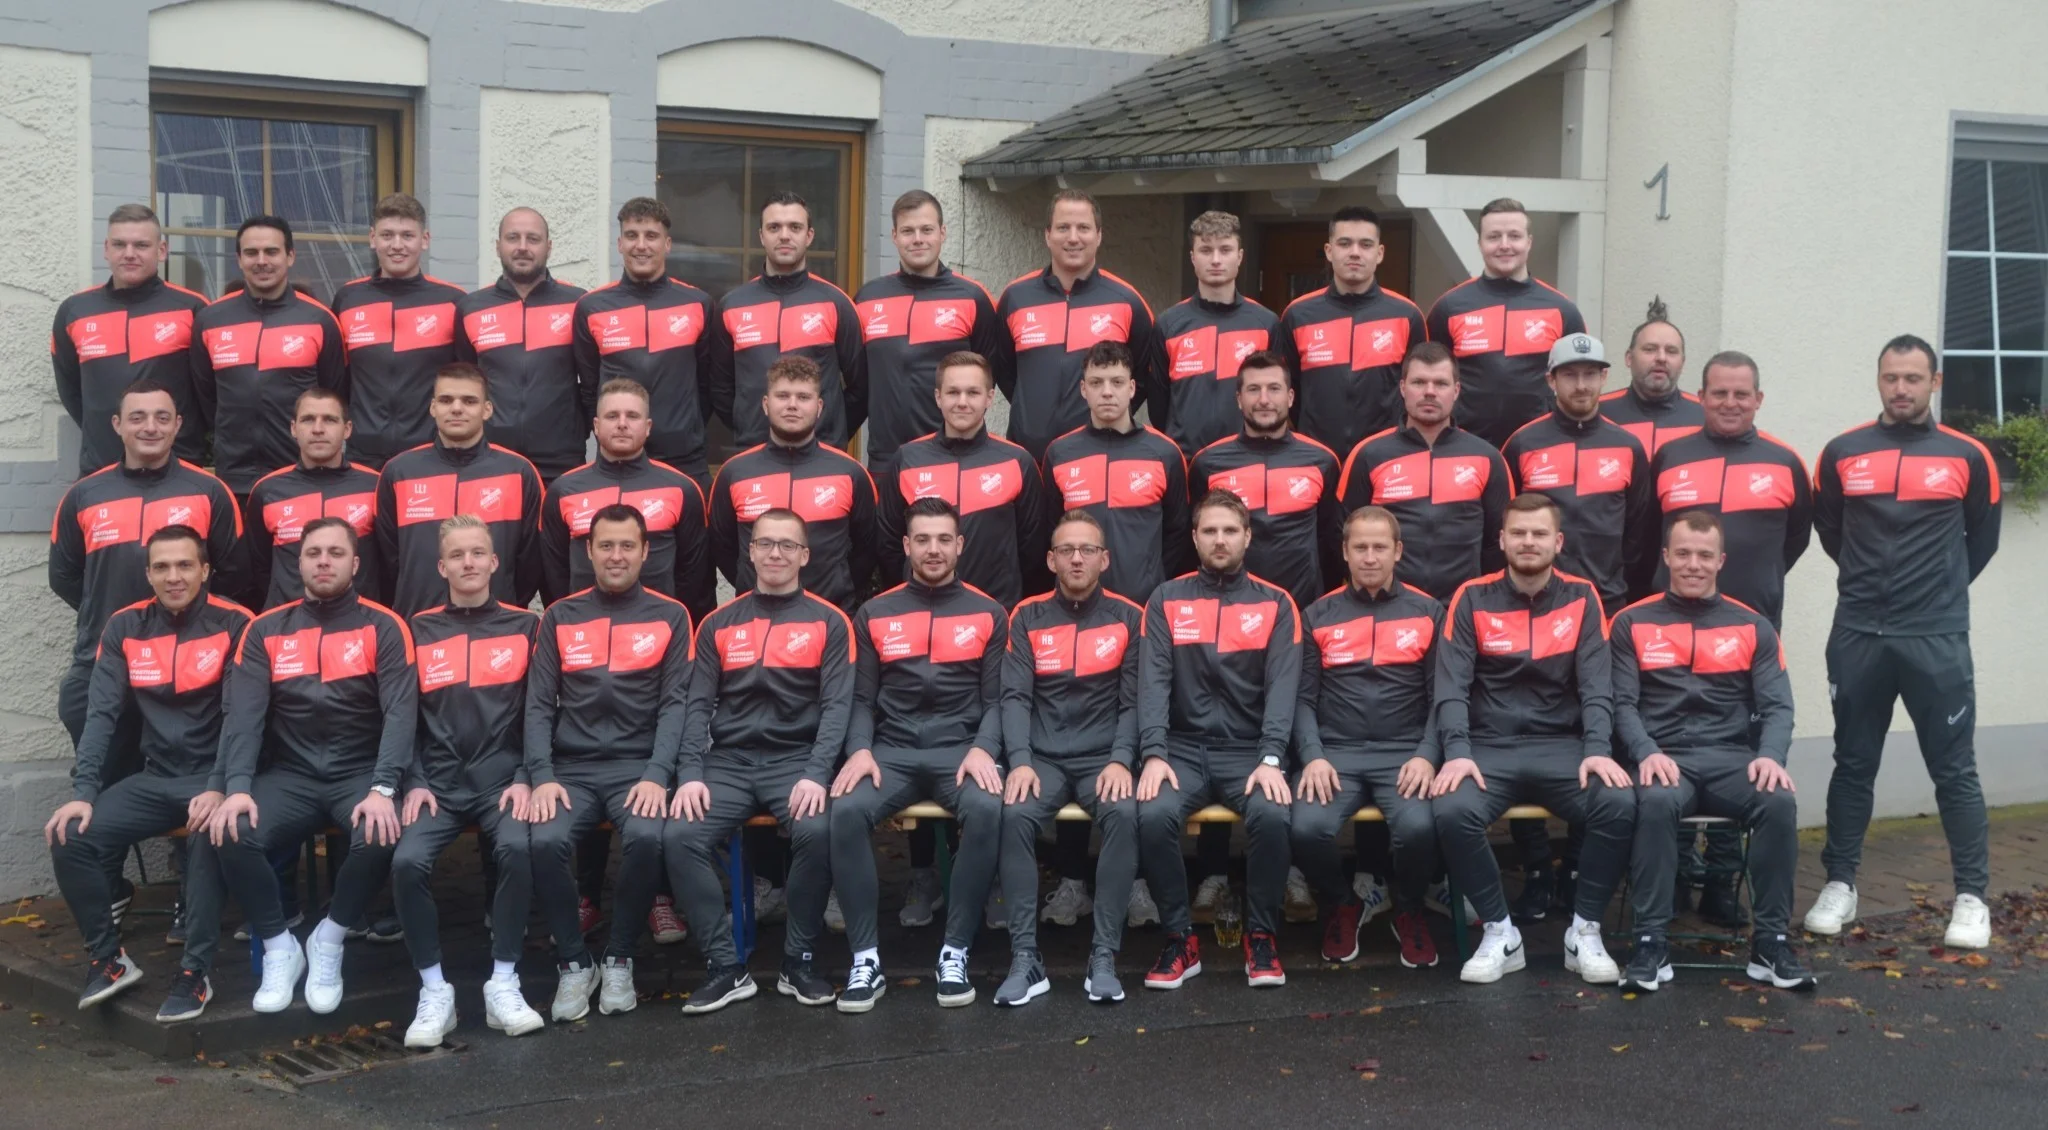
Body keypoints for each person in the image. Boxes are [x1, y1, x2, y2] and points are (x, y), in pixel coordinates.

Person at [1805, 335, 2002, 949]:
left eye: (1913, 378)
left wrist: (1933, 593)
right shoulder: (1842, 452)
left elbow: (1981, 541)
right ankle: (1840, 883)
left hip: (1934, 636)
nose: (1901, 388)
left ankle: (1971, 897)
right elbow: (1831, 532)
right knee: (1853, 762)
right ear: (1879, 379)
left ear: (1934, 382)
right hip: (1858, 632)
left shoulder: (1968, 455)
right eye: (1891, 377)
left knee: (1954, 768)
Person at [177, 517, 415, 1019]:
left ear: (355, 563)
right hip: (291, 776)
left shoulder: (384, 625)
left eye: (335, 553)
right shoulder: (266, 629)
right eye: (313, 553)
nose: (324, 561)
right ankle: (279, 945)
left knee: (381, 832)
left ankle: (329, 938)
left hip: (358, 772)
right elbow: (244, 718)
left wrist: (383, 788)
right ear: (298, 562)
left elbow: (400, 714)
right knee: (231, 829)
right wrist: (237, 788)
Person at [648, 509, 854, 1013]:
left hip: (796, 760)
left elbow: (837, 708)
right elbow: (696, 706)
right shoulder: (719, 623)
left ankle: (798, 961)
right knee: (678, 835)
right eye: (765, 543)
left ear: (805, 556)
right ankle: (725, 967)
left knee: (818, 830)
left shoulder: (830, 621)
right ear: (751, 552)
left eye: (788, 545)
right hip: (728, 763)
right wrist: (690, 775)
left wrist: (817, 773)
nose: (776, 553)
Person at [1430, 492, 1636, 985]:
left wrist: (1597, 750)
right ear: (1501, 540)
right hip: (1488, 748)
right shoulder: (1471, 597)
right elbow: (1451, 686)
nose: (1528, 542)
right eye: (1518, 533)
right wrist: (1456, 752)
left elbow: (1597, 685)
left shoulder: (1582, 597)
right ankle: (1501, 932)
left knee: (1619, 803)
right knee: (1451, 809)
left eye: (1539, 533)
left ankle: (1584, 931)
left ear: (1558, 542)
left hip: (1562, 747)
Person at [45, 525, 251, 1015]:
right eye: (162, 567)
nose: (173, 576)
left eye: (184, 565)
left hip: (213, 779)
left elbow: (242, 718)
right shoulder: (124, 627)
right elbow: (100, 716)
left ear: (205, 570)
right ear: (148, 574)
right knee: (70, 834)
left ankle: (195, 974)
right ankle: (108, 959)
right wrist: (84, 792)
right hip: (155, 778)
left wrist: (220, 786)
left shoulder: (236, 623)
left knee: (207, 835)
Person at [1612, 511, 1812, 993]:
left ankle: (1771, 943)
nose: (1693, 564)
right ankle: (1650, 943)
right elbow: (1620, 704)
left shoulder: (1753, 625)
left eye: (1704, 555)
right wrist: (1645, 751)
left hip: (1730, 759)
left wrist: (1770, 756)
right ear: (1666, 557)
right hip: (1663, 758)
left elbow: (1778, 706)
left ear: (1721, 561)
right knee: (1655, 801)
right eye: (1683, 553)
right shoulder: (1631, 621)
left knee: (1778, 802)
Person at [829, 498, 1007, 1012]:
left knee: (987, 808)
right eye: (923, 539)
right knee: (844, 810)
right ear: (906, 545)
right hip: (892, 750)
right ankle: (865, 959)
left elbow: (998, 701)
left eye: (944, 539)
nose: (933, 549)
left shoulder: (988, 612)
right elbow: (861, 700)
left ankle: (955, 951)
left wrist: (983, 748)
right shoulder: (875, 612)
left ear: (960, 545)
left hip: (960, 751)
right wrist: (859, 750)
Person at [524, 505, 693, 1018]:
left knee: (646, 836)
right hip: (571, 770)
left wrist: (658, 774)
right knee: (544, 840)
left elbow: (675, 706)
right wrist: (542, 776)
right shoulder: (559, 616)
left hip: (637, 768)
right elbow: (538, 705)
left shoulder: (671, 615)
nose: (616, 555)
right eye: (605, 545)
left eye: (626, 546)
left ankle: (619, 957)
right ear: (589, 551)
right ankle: (576, 964)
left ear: (645, 552)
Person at [389, 516, 547, 1044]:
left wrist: (526, 775)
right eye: (457, 555)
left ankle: (503, 982)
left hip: (504, 784)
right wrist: (412, 780)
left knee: (517, 851)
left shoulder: (526, 627)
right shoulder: (416, 629)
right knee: (406, 862)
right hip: (435, 786)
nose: (469, 563)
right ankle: (435, 991)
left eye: (478, 553)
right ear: (441, 566)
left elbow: (539, 713)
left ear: (494, 562)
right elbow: (402, 718)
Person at [1136, 491, 1301, 990]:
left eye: (1230, 530)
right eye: (1209, 531)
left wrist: (1271, 757)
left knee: (1273, 814)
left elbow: (1283, 690)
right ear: (1194, 538)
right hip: (1182, 750)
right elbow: (1153, 683)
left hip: (1249, 751)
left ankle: (1261, 936)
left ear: (1248, 537)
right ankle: (1179, 938)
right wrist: (1154, 753)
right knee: (1152, 814)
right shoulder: (1166, 599)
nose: (1220, 540)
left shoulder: (1276, 603)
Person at [995, 510, 1145, 1005]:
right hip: (1042, 758)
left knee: (1123, 813)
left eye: (1087, 550)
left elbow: (1134, 702)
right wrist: (1019, 760)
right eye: (1066, 550)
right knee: (1014, 814)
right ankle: (1025, 957)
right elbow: (1014, 697)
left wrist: (1121, 759)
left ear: (1105, 559)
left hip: (1104, 758)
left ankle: (1104, 955)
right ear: (1050, 560)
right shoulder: (1027, 616)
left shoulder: (1129, 617)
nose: (1076, 558)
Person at [51, 378, 245, 756]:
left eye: (162, 417)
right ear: (117, 425)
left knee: (189, 782)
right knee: (102, 774)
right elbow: (63, 577)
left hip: (189, 668)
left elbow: (235, 575)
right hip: (104, 658)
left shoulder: (209, 492)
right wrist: (110, 611)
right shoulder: (84, 495)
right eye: (137, 417)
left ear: (178, 425)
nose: (150, 427)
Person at [1291, 506, 1444, 970]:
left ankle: (1410, 910)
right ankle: (1343, 903)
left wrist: (1427, 755)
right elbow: (1302, 699)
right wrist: (1313, 756)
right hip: (1336, 755)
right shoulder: (1317, 614)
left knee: (1419, 829)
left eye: (1380, 547)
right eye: (1360, 547)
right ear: (1344, 552)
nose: (1370, 556)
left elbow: (1443, 698)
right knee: (1304, 828)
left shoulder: (1429, 612)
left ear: (1398, 551)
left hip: (1405, 755)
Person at [1645, 351, 1811, 628]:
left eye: (1741, 394)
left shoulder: (1786, 462)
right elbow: (1647, 536)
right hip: (1671, 623)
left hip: (1754, 622)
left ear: (1758, 399)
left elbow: (1797, 538)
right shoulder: (1669, 457)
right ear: (1701, 397)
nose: (1730, 403)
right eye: (1720, 393)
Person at [190, 215, 348, 500]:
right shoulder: (211, 320)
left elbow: (334, 394)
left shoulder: (320, 320)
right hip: (233, 477)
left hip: (300, 476)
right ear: (239, 259)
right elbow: (206, 397)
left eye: (271, 252)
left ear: (290, 256)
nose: (261, 261)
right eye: (251, 252)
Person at [1338, 341, 1510, 601]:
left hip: (1463, 608)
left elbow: (1498, 542)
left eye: (1440, 383)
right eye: (1419, 382)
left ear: (1456, 390)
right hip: (1391, 610)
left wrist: (1477, 599)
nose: (1430, 392)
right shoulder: (1368, 455)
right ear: (1402, 387)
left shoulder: (1487, 458)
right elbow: (1343, 535)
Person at [993, 190, 1157, 462]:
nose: (1073, 237)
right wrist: (1033, 415)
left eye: (1083, 228)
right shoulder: (1015, 298)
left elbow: (1144, 377)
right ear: (1047, 235)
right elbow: (1004, 371)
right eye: (1063, 228)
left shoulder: (1127, 301)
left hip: (1100, 459)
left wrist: (1108, 417)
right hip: (1028, 458)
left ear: (1099, 235)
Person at [855, 189, 1005, 475]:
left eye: (926, 230)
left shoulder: (973, 297)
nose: (918, 239)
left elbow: (991, 375)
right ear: (894, 236)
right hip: (885, 461)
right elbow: (856, 382)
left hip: (953, 459)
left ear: (942, 233)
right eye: (907, 231)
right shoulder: (867, 299)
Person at [1501, 333, 1654, 615]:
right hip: (1535, 603)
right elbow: (1503, 526)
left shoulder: (1628, 447)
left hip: (1606, 604)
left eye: (1590, 374)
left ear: (1604, 377)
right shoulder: (1522, 444)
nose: (1581, 385)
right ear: (1551, 380)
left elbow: (1638, 534)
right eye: (1570, 375)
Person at [709, 356, 877, 612]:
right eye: (783, 396)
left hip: (831, 617)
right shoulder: (734, 473)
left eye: (803, 397)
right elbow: (723, 547)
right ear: (766, 404)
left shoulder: (850, 473)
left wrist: (838, 588)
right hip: (754, 616)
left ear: (819, 407)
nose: (792, 405)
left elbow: (867, 548)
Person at [375, 362, 544, 616]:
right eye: (446, 400)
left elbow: (530, 563)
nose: (456, 408)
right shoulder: (399, 472)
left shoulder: (519, 472)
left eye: (469, 401)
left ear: (487, 409)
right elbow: (387, 560)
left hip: (497, 629)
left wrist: (505, 608)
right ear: (433, 407)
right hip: (418, 626)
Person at [879, 351, 1046, 607]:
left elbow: (1033, 550)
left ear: (990, 397)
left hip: (997, 613)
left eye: (973, 393)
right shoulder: (907, 459)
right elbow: (888, 543)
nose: (962, 402)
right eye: (953, 392)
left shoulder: (1017, 462)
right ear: (938, 397)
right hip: (920, 611)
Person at [53, 203, 210, 474]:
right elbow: (71, 390)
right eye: (119, 244)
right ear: (106, 249)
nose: (129, 254)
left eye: (141, 245)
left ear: (161, 250)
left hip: (178, 469)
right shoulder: (74, 311)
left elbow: (209, 393)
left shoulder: (193, 309)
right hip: (101, 469)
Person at [572, 197, 718, 487]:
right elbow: (589, 388)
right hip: (616, 460)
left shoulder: (698, 304)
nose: (641, 245)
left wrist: (683, 427)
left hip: (684, 459)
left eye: (651, 236)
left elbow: (708, 384)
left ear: (667, 244)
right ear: (619, 244)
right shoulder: (591, 307)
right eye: (631, 236)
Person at [541, 378, 712, 621]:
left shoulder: (681, 489)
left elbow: (694, 574)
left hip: (658, 630)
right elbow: (553, 573)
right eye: (612, 416)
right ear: (596, 426)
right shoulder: (562, 490)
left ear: (648, 426)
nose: (622, 424)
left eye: (632, 416)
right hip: (583, 629)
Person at [1424, 199, 1586, 449]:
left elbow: (1578, 381)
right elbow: (1428, 376)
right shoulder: (1448, 308)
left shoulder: (1562, 309)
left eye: (1514, 236)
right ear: (1480, 243)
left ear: (1529, 242)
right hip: (1463, 447)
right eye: (1494, 237)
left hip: (1542, 446)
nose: (1504, 245)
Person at [1188, 351, 1342, 613]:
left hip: (1303, 611)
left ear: (1290, 397)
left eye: (1274, 389)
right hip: (1228, 611)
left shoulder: (1323, 461)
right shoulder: (1207, 463)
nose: (1264, 400)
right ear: (1239, 399)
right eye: (1253, 390)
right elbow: (1192, 544)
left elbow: (1330, 542)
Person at [711, 191, 866, 451]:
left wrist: (831, 432)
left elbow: (861, 386)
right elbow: (720, 389)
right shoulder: (732, 306)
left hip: (822, 454)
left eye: (795, 227)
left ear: (809, 235)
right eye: (774, 227)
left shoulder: (836, 303)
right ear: (762, 236)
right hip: (754, 452)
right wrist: (748, 426)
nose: (784, 235)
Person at [1045, 340, 1192, 606]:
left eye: (1117, 382)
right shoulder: (1059, 453)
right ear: (1083, 389)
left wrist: (1153, 581)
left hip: (1144, 605)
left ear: (1132, 388)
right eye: (1096, 383)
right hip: (1077, 606)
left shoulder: (1165, 453)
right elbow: (1051, 529)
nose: (1107, 392)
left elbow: (1178, 531)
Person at [1277, 206, 1427, 460]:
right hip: (1316, 458)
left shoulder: (1407, 315)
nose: (1355, 252)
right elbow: (1289, 391)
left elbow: (1417, 389)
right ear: (1329, 251)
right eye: (1345, 243)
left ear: (1379, 253)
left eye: (1365, 244)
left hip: (1387, 458)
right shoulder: (1297, 315)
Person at [328, 193, 465, 469]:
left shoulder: (453, 301)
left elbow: (466, 380)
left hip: (431, 455)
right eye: (387, 235)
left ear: (424, 240)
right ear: (372, 238)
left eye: (407, 236)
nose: (397, 245)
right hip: (362, 455)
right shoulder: (348, 299)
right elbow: (335, 380)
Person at [457, 206, 591, 483]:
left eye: (533, 239)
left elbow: (593, 380)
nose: (522, 247)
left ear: (548, 247)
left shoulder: (578, 303)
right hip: (490, 458)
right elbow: (463, 383)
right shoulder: (471, 308)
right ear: (498, 246)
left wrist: (579, 429)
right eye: (513, 237)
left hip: (561, 460)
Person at [1154, 210, 1280, 457]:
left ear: (1240, 256)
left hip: (1247, 459)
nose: (1215, 259)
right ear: (1192, 257)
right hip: (1185, 461)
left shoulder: (1266, 323)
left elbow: (1279, 396)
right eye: (1205, 250)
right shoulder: (1168, 325)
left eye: (1225, 250)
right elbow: (1159, 404)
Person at [246, 388, 382, 609]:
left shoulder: (375, 486)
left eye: (329, 420)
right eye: (308, 420)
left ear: (347, 429)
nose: (318, 429)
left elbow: (390, 562)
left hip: (360, 621)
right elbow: (257, 568)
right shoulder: (266, 491)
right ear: (293, 428)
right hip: (286, 623)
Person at [1599, 298, 1701, 458]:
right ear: (1629, 358)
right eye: (1650, 349)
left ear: (1682, 362)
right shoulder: (1600, 412)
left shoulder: (1703, 415)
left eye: (1671, 351)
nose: (1661, 358)